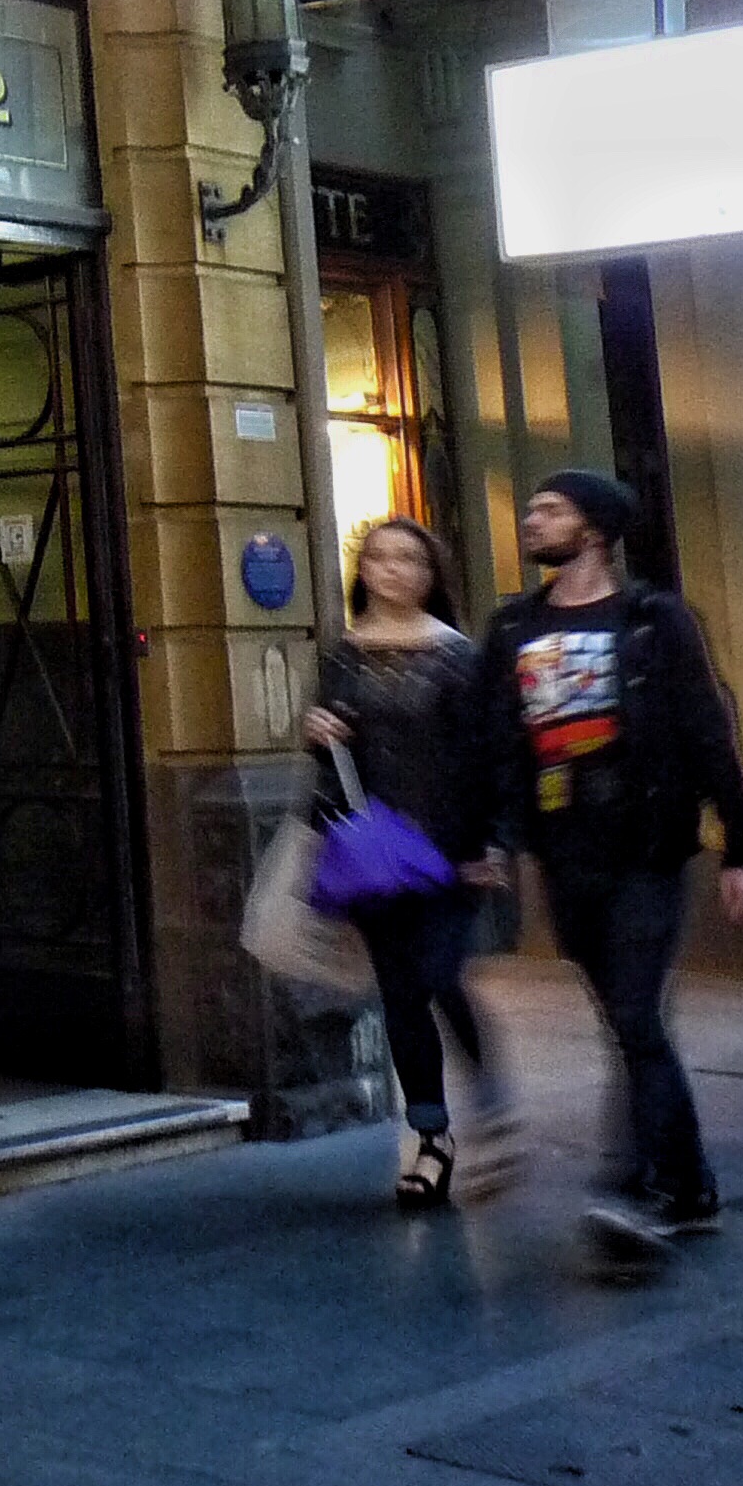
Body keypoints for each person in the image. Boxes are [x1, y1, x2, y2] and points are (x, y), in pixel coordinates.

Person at [474, 468, 743, 1273]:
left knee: (635, 1016)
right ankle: (692, 1186)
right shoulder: (512, 627)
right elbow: (498, 745)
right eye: (534, 509)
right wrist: (495, 839)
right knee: (631, 1026)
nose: (532, 521)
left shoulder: (654, 620)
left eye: (551, 510)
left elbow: (707, 731)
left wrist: (742, 846)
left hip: (647, 850)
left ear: (594, 531)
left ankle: (636, 1191)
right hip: (564, 855)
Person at [303, 517, 506, 1209]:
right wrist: (318, 733)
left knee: (439, 975)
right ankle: (431, 1137)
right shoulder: (344, 653)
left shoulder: (457, 655)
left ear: (429, 573)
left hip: (449, 850)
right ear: (363, 571)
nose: (391, 569)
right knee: (400, 996)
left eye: (408, 559)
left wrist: (489, 842)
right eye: (379, 558)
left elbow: (486, 757)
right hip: (372, 850)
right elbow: (332, 753)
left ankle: (491, 1095)